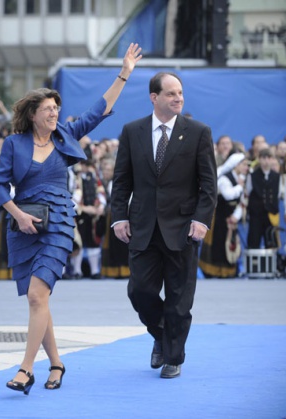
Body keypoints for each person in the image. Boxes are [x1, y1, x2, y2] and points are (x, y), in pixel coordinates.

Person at [0, 43, 142, 394]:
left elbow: (98, 110)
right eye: (48, 109)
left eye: (57, 108)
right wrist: (19, 215)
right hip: (24, 224)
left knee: (35, 295)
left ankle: (26, 370)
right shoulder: (14, 144)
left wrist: (124, 73)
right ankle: (57, 363)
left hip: (58, 221)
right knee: (38, 299)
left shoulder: (66, 134)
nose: (54, 113)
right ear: (33, 114)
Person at [111, 72, 217, 379]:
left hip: (183, 229)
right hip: (142, 227)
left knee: (179, 300)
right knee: (139, 291)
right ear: (154, 97)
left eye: (180, 93)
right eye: (171, 94)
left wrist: (201, 220)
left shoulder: (198, 132)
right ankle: (160, 333)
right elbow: (122, 179)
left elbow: (209, 184)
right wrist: (119, 215)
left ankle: (173, 356)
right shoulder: (133, 131)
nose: (178, 98)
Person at [199, 152, 248, 278]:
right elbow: (229, 195)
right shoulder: (224, 178)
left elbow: (241, 201)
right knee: (218, 242)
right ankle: (213, 271)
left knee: (230, 243)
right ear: (235, 165)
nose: (246, 167)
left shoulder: (240, 178)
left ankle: (228, 271)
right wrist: (240, 187)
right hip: (220, 217)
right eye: (243, 164)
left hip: (231, 218)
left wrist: (235, 217)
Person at [245, 148, 280, 249]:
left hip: (271, 214)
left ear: (272, 159)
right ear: (259, 159)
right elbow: (247, 193)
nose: (266, 161)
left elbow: (277, 195)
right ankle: (254, 264)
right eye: (263, 158)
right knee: (253, 241)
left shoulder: (277, 176)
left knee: (271, 242)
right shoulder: (252, 176)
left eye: (269, 158)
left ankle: (272, 264)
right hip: (256, 215)